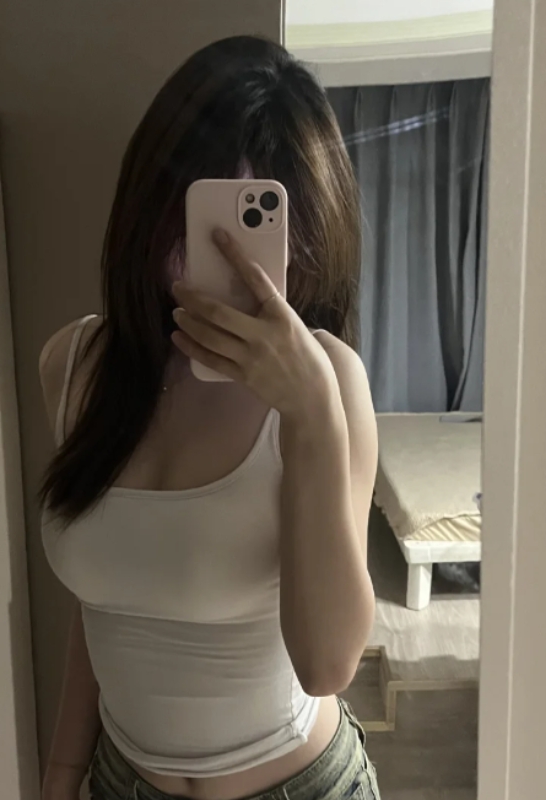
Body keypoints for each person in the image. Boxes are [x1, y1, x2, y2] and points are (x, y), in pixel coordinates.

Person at [39, 35, 380, 800]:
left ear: (305, 235)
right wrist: (61, 771)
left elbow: (327, 665)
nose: (212, 258)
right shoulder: (75, 365)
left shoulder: (330, 383)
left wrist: (313, 417)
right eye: (194, 217)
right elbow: (103, 597)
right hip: (120, 780)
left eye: (255, 222)